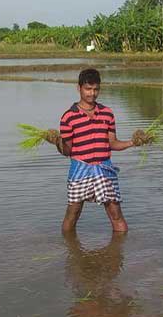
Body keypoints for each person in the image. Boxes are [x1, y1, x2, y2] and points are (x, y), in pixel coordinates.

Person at [53, 68, 138, 234]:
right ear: (79, 88)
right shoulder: (68, 117)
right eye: (88, 89)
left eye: (96, 89)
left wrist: (133, 142)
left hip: (104, 169)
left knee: (116, 214)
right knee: (73, 213)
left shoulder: (107, 114)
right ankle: (68, 251)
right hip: (80, 170)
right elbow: (67, 151)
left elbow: (112, 144)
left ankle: (119, 254)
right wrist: (57, 142)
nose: (92, 94)